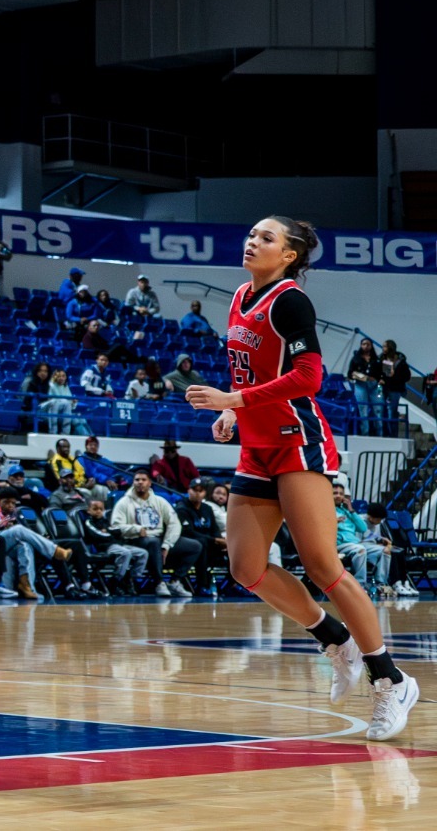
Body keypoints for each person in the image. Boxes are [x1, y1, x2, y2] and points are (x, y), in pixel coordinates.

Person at [184, 216, 418, 738]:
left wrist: (235, 400)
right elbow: (250, 370)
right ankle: (336, 640)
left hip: (297, 441)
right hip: (256, 445)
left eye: (267, 237)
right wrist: (231, 410)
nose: (252, 241)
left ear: (289, 255)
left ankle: (391, 679)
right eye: (251, 234)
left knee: (323, 566)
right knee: (246, 568)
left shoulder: (290, 301)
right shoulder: (241, 293)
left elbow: (309, 377)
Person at [110, 470, 200, 597]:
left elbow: (174, 523)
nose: (140, 482)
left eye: (143, 480)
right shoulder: (123, 503)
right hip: (136, 539)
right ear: (133, 482)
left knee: (195, 546)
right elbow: (115, 526)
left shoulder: (160, 501)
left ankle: (175, 581)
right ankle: (159, 582)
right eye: (137, 480)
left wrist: (167, 545)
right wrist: (135, 529)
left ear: (150, 483)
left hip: (160, 539)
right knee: (153, 542)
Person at [176, 478, 226, 596]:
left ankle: (236, 584)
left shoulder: (207, 508)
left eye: (201, 490)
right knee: (201, 543)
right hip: (192, 544)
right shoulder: (182, 507)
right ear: (189, 490)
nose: (197, 493)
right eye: (194, 490)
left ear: (204, 493)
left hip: (210, 543)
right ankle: (202, 585)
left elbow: (214, 529)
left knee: (231, 546)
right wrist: (215, 540)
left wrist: (222, 541)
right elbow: (188, 532)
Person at [348, 338, 383, 435]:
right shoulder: (356, 359)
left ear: (371, 346)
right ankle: (365, 432)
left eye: (368, 344)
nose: (366, 346)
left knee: (379, 407)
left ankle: (380, 433)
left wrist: (377, 380)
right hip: (360, 385)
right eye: (363, 344)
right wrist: (362, 377)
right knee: (362, 408)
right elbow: (350, 373)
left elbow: (381, 374)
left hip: (376, 386)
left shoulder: (376, 359)